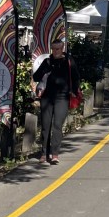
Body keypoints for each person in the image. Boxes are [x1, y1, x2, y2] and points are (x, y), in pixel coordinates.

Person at [33, 37, 81, 166]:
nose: (55, 51)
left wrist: (74, 91)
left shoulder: (69, 61)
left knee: (57, 125)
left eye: (58, 49)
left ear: (63, 48)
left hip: (62, 97)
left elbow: (76, 77)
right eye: (53, 49)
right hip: (47, 97)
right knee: (45, 126)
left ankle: (55, 154)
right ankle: (44, 153)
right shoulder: (47, 62)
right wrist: (45, 70)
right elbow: (36, 77)